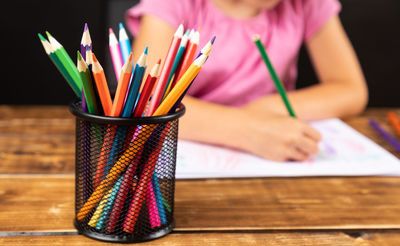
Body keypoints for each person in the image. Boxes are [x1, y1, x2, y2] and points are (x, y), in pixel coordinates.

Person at [125, 0, 368, 161]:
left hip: (274, 160)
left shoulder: (306, 3)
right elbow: (144, 101)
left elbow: (351, 90)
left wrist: (268, 108)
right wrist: (245, 128)